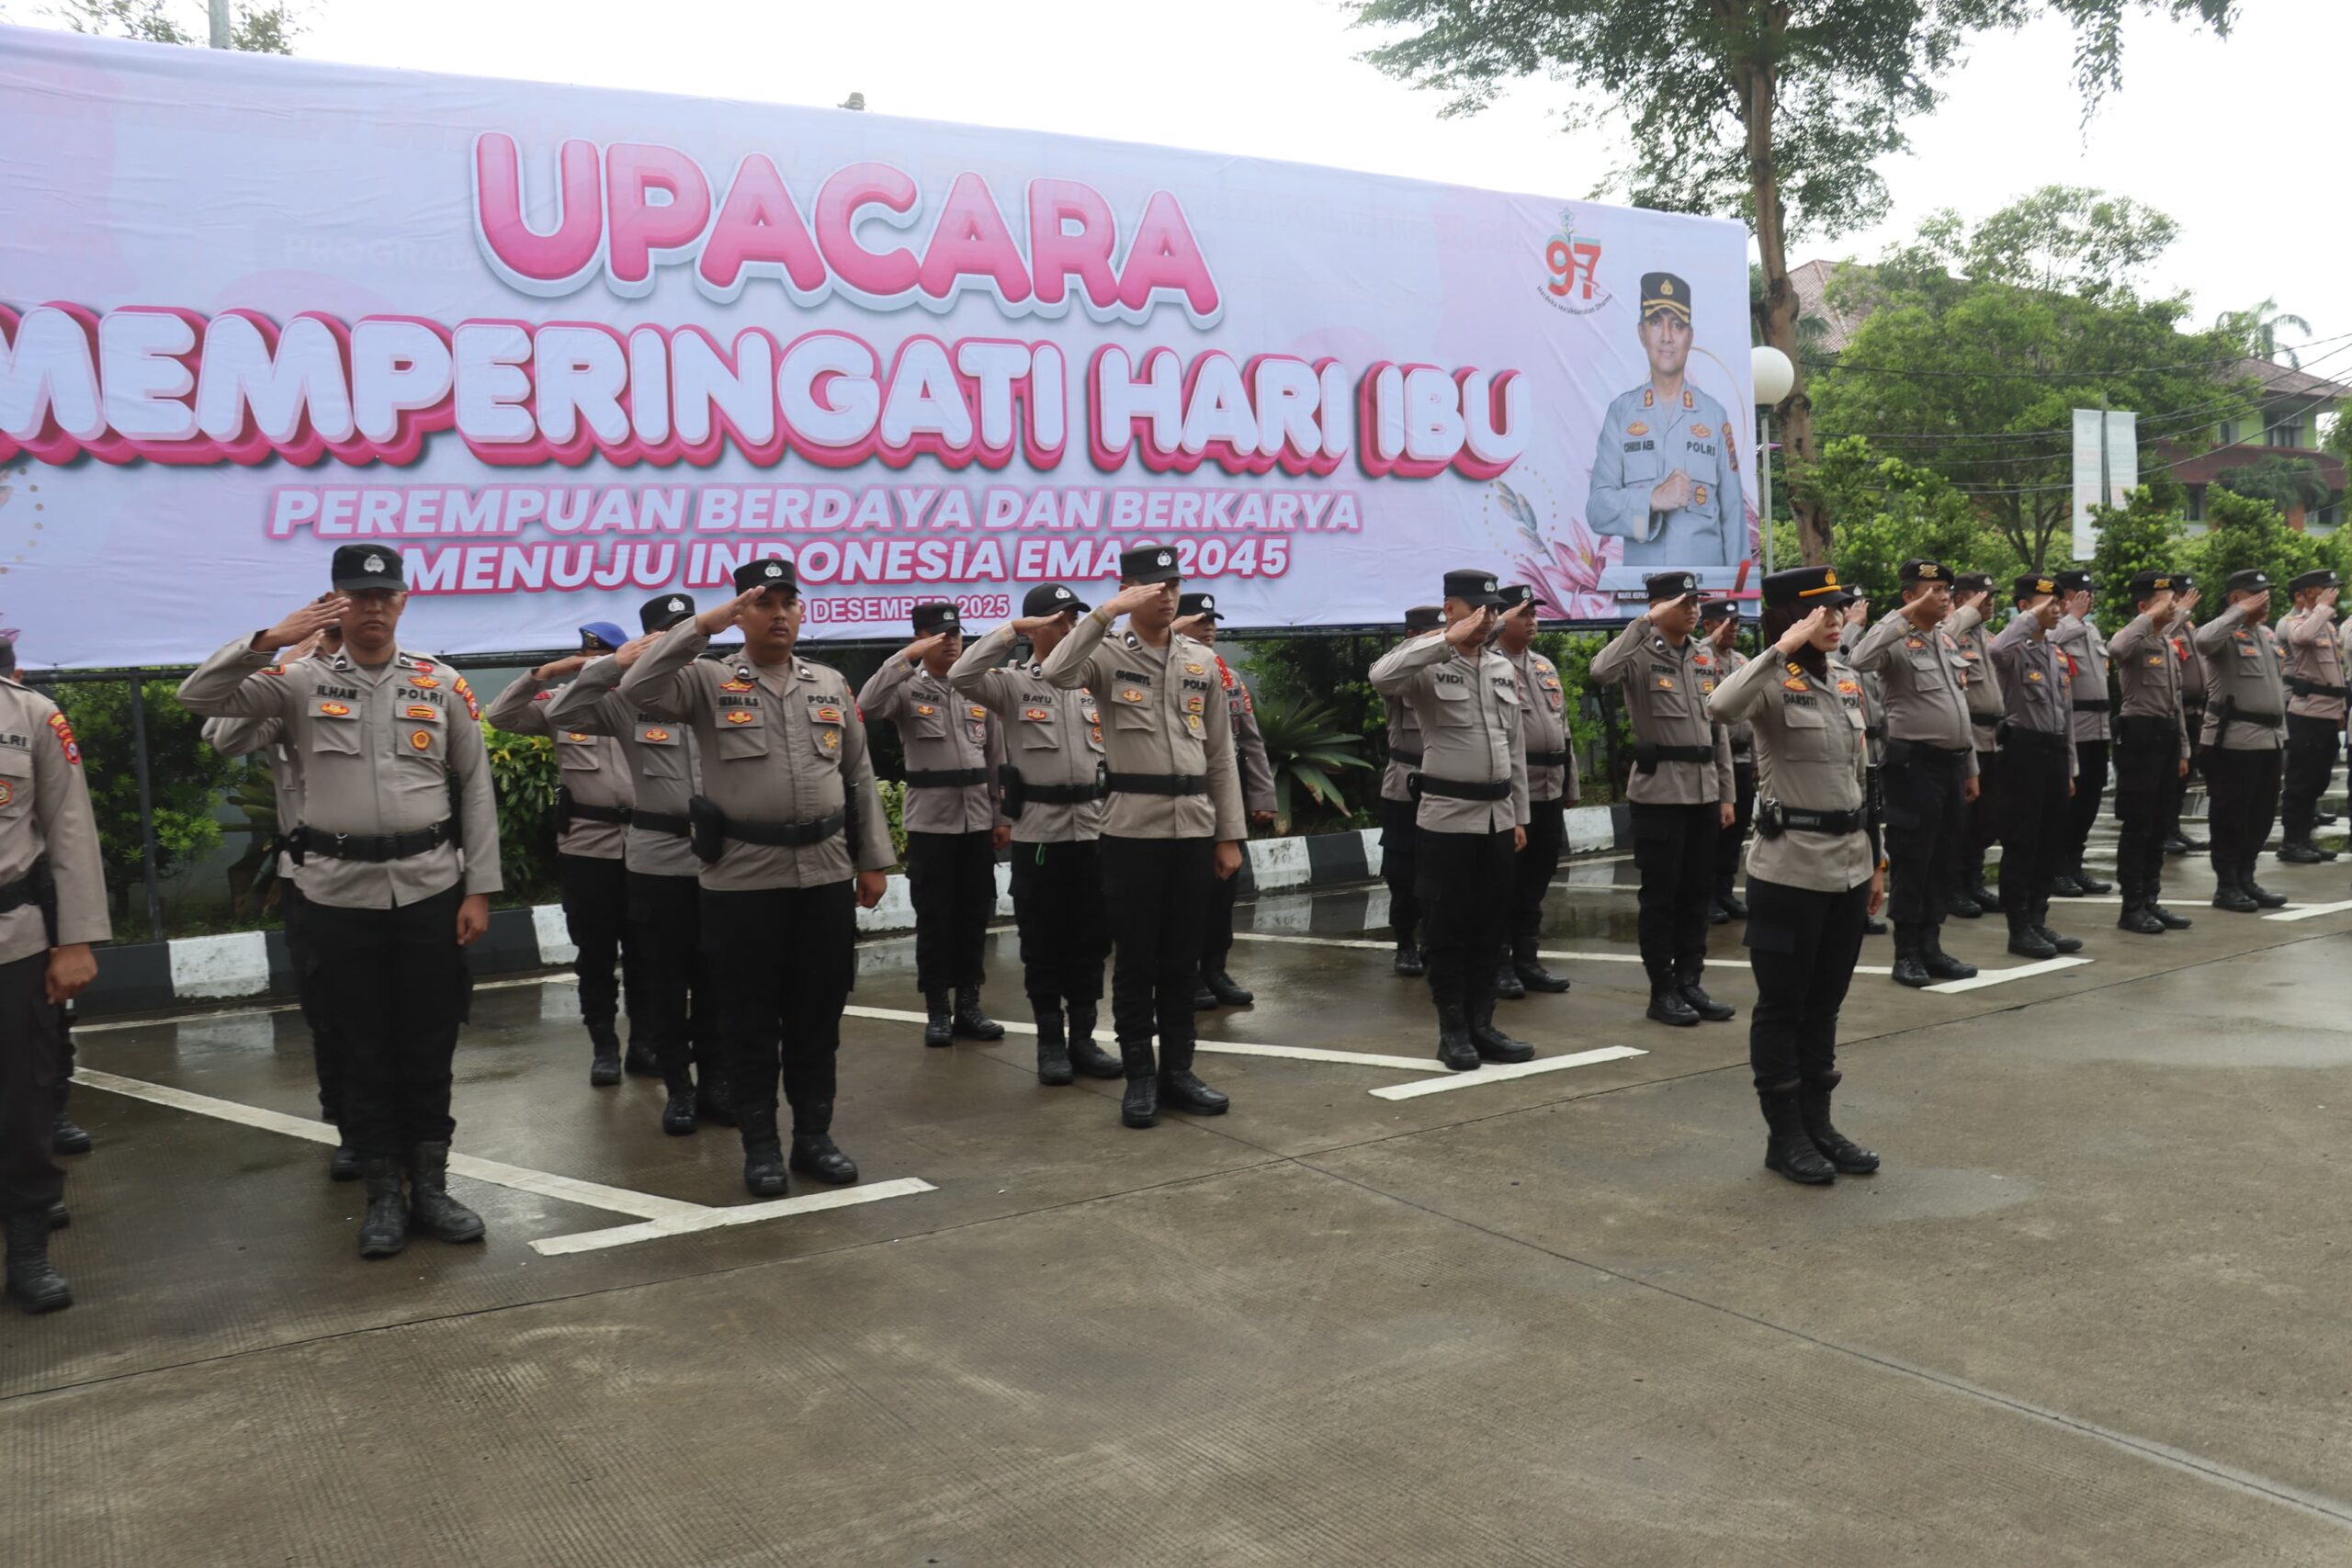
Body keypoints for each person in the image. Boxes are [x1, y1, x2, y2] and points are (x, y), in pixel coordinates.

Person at [178, 547, 502, 1259]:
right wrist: (273, 639)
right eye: (359, 595)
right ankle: (383, 1195)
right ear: (336, 603)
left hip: (429, 888)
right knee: (360, 1046)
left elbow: (475, 788)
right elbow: (199, 701)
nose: (373, 606)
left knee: (429, 1042)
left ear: (404, 600)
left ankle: (433, 1187)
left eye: (385, 594)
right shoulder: (298, 681)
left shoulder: (440, 682)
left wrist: (479, 888)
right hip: (335, 895)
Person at [617, 558, 893, 1193]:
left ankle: (814, 1137)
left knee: (818, 1016)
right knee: (747, 1020)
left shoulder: (828, 683)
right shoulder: (707, 679)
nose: (778, 615)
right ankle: (761, 1146)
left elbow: (858, 774)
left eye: (788, 603)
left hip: (823, 872)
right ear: (741, 614)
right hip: (742, 879)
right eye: (763, 603)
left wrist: (872, 858)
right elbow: (637, 686)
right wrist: (704, 625)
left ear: (802, 611)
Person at [1042, 546, 1247, 1128]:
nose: (1167, 595)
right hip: (1132, 831)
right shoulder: (1105, 653)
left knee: (1182, 960)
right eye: (1154, 586)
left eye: (1173, 584)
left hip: (1194, 829)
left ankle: (1179, 1072)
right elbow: (1055, 672)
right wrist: (1105, 614)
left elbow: (1220, 755)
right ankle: (1140, 1077)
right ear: (1128, 590)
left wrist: (1228, 835)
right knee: (1135, 960)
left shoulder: (1200, 660)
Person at [1707, 566, 1883, 1186]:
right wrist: (1780, 648)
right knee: (1783, 1005)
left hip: (1849, 865)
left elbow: (1864, 778)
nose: (1835, 621)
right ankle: (1784, 1136)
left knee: (1825, 1004)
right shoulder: (1770, 680)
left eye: (1838, 611)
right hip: (1789, 871)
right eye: (1821, 612)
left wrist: (1877, 858)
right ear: (1789, 617)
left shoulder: (1845, 679)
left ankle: (1819, 1124)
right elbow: (1720, 706)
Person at [545, 593, 733, 1135]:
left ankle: (716, 1084)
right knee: (663, 980)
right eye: (667, 633)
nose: (681, 642)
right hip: (656, 860)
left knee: (719, 979)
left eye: (688, 630)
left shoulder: (725, 685)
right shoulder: (626, 697)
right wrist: (611, 665)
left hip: (722, 858)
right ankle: (679, 1088)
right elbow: (560, 714)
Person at [200, 619, 356, 1179]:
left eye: (340, 636)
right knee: (328, 1006)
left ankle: (400, 1125)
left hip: (390, 876)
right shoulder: (289, 690)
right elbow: (222, 737)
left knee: (398, 1006)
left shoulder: (398, 684)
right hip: (310, 878)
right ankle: (349, 1122)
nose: (335, 649)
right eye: (328, 636)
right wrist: (281, 664)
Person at [947, 584, 1122, 1086]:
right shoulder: (1013, 685)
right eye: (1058, 620)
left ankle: (1083, 1038)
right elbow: (961, 675)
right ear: (1035, 628)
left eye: (1073, 620)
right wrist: (1011, 631)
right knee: (1043, 942)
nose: (1069, 628)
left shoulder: (1091, 681)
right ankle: (1050, 1043)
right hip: (1039, 835)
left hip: (1092, 828)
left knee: (1091, 940)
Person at [1369, 570, 1534, 1070]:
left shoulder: (1501, 667)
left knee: (1491, 927)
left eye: (1492, 610)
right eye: (1476, 609)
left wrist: (1519, 815)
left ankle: (1483, 1025)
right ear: (1450, 609)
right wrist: (1444, 640)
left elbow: (1514, 746)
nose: (1486, 619)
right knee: (1445, 928)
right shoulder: (1427, 662)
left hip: (1498, 818)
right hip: (1446, 819)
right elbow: (1380, 677)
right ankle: (1453, 1032)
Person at [484, 623, 650, 1086]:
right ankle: (604, 1047)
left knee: (647, 954)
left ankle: (644, 1044)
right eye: (588, 658)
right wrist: (545, 673)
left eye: (606, 658)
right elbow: (500, 717)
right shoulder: (559, 705)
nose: (596, 665)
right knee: (594, 954)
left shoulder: (648, 701)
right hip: (587, 849)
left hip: (646, 846)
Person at [0, 650, 107, 1313]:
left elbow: (71, 832)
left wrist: (75, 938)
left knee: (22, 1107)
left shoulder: (32, 715)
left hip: (13, 944)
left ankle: (27, 1252)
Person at [1591, 570, 1737, 1027]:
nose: (1694, 610)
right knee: (1661, 897)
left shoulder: (1703, 655)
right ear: (1658, 607)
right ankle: (1662, 990)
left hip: (1703, 792)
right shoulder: (1638, 652)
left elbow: (1718, 731)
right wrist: (1643, 623)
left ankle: (1691, 982)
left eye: (1696, 602)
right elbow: (1600, 671)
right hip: (1659, 795)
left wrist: (1726, 793)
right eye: (1683, 603)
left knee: (1697, 893)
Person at [859, 604, 1006, 1049]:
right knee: (936, 919)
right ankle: (938, 1009)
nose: (951, 641)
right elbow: (867, 705)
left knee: (973, 916)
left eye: (956, 632)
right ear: (920, 638)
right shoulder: (906, 688)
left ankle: (970, 1005)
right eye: (940, 634)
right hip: (931, 824)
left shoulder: (977, 685)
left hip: (977, 820)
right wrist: (905, 658)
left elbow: (996, 758)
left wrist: (1001, 817)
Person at [1847, 559, 1979, 987]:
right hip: (1914, 766)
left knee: (1943, 858)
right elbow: (1858, 658)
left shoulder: (1945, 638)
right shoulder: (1896, 640)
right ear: (1909, 597)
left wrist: (1971, 767)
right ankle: (1906, 953)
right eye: (1933, 590)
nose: (1944, 597)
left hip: (1952, 764)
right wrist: (1900, 617)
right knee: (1913, 859)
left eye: (1946, 590)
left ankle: (1931, 946)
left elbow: (1959, 707)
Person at [1587, 273, 1745, 567]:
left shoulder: (1714, 415)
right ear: (1641, 332)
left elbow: (1733, 516)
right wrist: (1651, 499)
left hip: (1707, 588)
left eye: (1678, 325)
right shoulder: (1621, 414)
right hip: (1643, 590)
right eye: (1656, 322)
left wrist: (1740, 591)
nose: (1667, 336)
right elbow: (1597, 509)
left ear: (1690, 336)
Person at [1172, 590, 1275, 1010]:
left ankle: (1216, 969)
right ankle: (1188, 974)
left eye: (1212, 620)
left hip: (1224, 795)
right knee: (1188, 895)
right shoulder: (1167, 672)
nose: (1209, 628)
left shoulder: (1228, 676)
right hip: (1182, 794)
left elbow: (1250, 740)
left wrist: (1262, 796)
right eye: (1200, 621)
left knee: (1223, 892)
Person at [1986, 573, 2083, 960]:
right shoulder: (2014, 650)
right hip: (2023, 754)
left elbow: (2066, 715)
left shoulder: (2056, 653)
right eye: (2049, 604)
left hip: (2055, 754)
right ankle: (2019, 928)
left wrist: (2070, 766)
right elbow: (1995, 649)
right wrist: (2030, 618)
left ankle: (2039, 919)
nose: (2058, 610)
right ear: (2025, 607)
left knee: (2050, 842)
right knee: (2022, 842)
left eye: (2059, 603)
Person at [1494, 584, 1575, 995]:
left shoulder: (1543, 665)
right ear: (1501, 617)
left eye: (1533, 613)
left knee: (1537, 879)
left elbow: (1564, 727)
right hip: (1514, 790)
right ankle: (1499, 964)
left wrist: (1571, 786)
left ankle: (1527, 961)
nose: (1531, 621)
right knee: (1504, 881)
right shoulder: (1490, 664)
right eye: (1523, 613)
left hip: (1549, 789)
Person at [2193, 569, 2290, 913]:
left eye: (2266, 593)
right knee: (2230, 817)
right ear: (2236, 598)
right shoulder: (2224, 633)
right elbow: (2202, 641)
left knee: (2260, 817)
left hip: (2269, 740)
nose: (2266, 599)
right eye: (2257, 594)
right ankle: (2227, 886)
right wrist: (2238, 612)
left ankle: (2247, 878)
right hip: (2233, 742)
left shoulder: (2265, 634)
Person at [2106, 570, 2193, 935]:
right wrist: (2150, 616)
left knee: (2159, 825)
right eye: (2164, 601)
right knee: (2138, 826)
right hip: (2140, 738)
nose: (2172, 605)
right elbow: (2116, 648)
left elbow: (2175, 702)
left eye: (2173, 599)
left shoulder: (2166, 643)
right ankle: (2131, 906)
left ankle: (2151, 900)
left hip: (2167, 737)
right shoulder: (2135, 638)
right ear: (2143, 606)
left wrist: (2183, 747)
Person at [1379, 606, 1444, 976]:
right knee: (1403, 870)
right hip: (1405, 783)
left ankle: (1435, 942)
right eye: (1430, 633)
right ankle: (1405, 943)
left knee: (1442, 868)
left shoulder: (1451, 670)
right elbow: (1385, 672)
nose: (1439, 639)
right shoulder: (1398, 670)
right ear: (1411, 636)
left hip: (1445, 782)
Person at [2050, 571, 2114, 897]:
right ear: (2066, 597)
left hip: (2098, 730)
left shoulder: (2090, 629)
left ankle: (2075, 863)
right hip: (2073, 730)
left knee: (2089, 803)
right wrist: (2072, 616)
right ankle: (2057, 868)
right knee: (2067, 805)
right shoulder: (2057, 627)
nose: (2091, 598)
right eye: (2084, 593)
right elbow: (2050, 643)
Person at [1946, 573, 2007, 917]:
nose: (1991, 603)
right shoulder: (1950, 633)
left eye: (1992, 596)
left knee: (1988, 818)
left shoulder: (1986, 637)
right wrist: (1964, 613)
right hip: (1968, 738)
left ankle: (1973, 880)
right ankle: (1955, 886)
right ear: (1962, 601)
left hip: (1993, 738)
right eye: (1984, 597)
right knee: (1964, 819)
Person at [2276, 569, 2346, 863]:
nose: (2331, 593)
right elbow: (2302, 637)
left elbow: (2335, 671)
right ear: (2303, 595)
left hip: (2329, 712)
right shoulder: (2295, 623)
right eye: (2323, 589)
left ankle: (2305, 839)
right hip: (2307, 714)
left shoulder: (2327, 625)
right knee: (2301, 782)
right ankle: (2291, 842)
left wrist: (2341, 710)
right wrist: (2322, 609)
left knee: (2318, 780)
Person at [1837, 601, 1892, 938]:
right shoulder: (1837, 650)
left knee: (1873, 826)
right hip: (1848, 748)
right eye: (1845, 610)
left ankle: (1864, 903)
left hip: (1874, 747)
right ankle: (1852, 907)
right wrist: (1851, 628)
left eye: (1855, 610)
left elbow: (1880, 704)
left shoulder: (1867, 652)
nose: (1854, 615)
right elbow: (1836, 663)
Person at [1702, 599, 1755, 926]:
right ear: (1708, 624)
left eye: (1737, 622)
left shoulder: (1741, 661)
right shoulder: (1700, 657)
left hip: (1742, 756)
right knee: (1713, 831)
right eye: (1727, 621)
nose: (1734, 628)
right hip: (1714, 760)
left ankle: (1724, 891)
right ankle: (1706, 895)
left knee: (1736, 830)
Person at [2162, 577, 2210, 856]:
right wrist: (2181, 612)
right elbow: (2161, 634)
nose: (2186, 599)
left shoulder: (2188, 625)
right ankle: (2165, 830)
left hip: (2195, 712)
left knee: (2184, 776)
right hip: (2175, 710)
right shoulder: (2169, 623)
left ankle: (2174, 826)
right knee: (2171, 775)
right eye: (2180, 594)